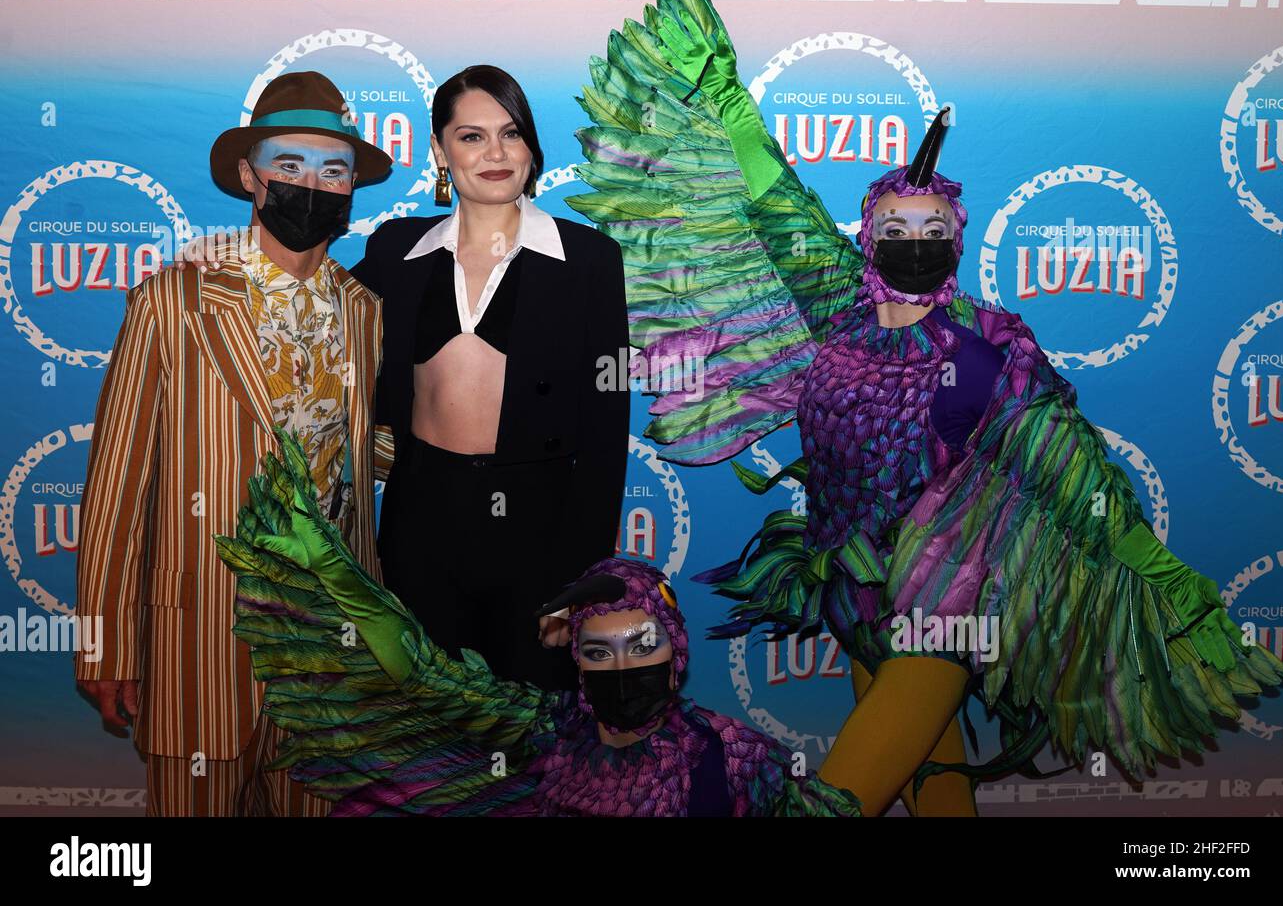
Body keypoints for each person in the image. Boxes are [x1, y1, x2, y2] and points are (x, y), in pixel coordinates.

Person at [563, 0, 1283, 816]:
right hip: (854, 591)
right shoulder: (839, 305)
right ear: (869, 239)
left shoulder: (989, 345)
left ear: (958, 239)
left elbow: (1072, 471)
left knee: (837, 801)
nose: (914, 242)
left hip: (948, 604)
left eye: (932, 229)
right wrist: (729, 104)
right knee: (934, 780)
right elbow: (777, 206)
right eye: (895, 228)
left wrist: (1161, 575)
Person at [188, 65, 631, 693]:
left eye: (511, 134)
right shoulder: (398, 251)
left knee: (529, 725)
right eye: (471, 136)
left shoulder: (588, 259)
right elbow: (309, 292)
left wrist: (578, 585)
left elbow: (608, 432)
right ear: (441, 153)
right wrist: (224, 255)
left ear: (532, 147)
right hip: (421, 521)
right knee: (428, 732)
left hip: (540, 526)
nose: (496, 153)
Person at [215, 429, 861, 817]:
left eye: (642, 645)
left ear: (677, 646)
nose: (623, 668)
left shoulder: (736, 754)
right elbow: (422, 674)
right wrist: (330, 566)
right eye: (599, 653)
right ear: (575, 663)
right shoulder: (549, 735)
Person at [74, 70, 391, 816]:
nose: (310, 184)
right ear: (251, 177)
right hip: (200, 648)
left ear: (351, 190)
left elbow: (361, 449)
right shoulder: (173, 301)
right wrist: (103, 644)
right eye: (289, 165)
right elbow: (118, 485)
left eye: (332, 170)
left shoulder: (364, 311)